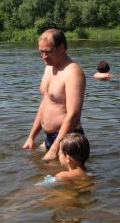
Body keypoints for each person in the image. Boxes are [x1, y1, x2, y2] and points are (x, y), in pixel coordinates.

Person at [22, 28, 86, 161]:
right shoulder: (48, 68)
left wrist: (54, 149)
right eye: (41, 52)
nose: (44, 57)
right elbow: (45, 103)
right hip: (50, 138)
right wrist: (31, 137)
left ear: (62, 47)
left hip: (68, 141)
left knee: (68, 180)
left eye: (48, 52)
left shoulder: (73, 72)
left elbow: (74, 115)